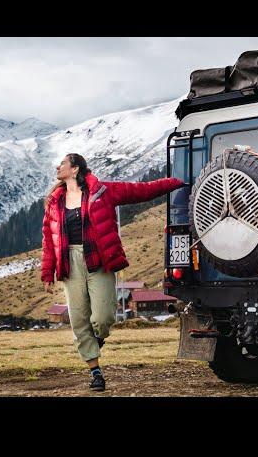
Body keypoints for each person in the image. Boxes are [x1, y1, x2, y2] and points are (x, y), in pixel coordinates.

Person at [41, 153, 184, 391]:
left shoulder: (102, 191)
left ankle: (97, 340)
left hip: (98, 259)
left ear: (75, 169)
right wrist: (47, 274)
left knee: (103, 317)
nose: (58, 167)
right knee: (78, 320)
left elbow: (140, 190)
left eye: (63, 163)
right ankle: (95, 371)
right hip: (70, 263)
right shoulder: (55, 202)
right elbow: (49, 239)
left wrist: (173, 183)